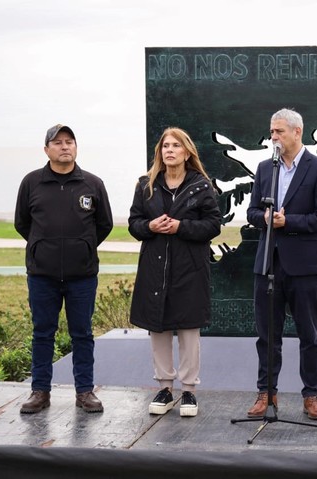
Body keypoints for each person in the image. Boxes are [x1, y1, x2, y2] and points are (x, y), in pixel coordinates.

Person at [245, 108, 317, 420]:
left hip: (306, 265)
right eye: (272, 131)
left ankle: (311, 395)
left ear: (298, 132)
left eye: (279, 132)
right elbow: (252, 213)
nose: (273, 137)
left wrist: (288, 222)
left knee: (309, 334)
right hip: (268, 263)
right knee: (267, 335)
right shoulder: (264, 168)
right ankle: (265, 393)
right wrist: (266, 218)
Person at [15, 124, 113, 414]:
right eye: (57, 142)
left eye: (69, 142)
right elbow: (23, 223)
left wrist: (81, 247)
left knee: (82, 334)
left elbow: (104, 224)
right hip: (42, 276)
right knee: (42, 333)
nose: (64, 146)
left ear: (76, 147)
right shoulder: (31, 182)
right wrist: (41, 248)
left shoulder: (92, 184)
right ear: (46, 150)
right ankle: (40, 392)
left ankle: (85, 392)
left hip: (81, 276)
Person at [128, 127, 221, 417]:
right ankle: (165, 387)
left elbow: (213, 225)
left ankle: (189, 391)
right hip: (154, 268)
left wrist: (181, 227)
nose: (169, 150)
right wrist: (150, 227)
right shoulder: (146, 185)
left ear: (187, 152)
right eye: (165, 146)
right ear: (160, 152)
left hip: (189, 270)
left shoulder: (201, 186)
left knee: (189, 329)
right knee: (158, 328)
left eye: (175, 146)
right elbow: (134, 223)